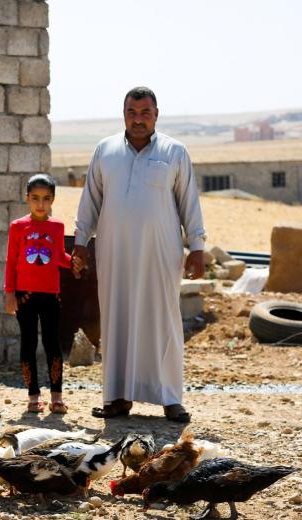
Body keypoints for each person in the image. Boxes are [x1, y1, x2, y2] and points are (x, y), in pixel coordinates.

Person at [72, 86, 206, 423]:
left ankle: (170, 398)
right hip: (114, 251)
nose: (138, 120)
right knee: (116, 318)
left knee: (163, 319)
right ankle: (117, 398)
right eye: (132, 113)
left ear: (156, 115)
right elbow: (90, 200)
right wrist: (79, 242)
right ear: (124, 115)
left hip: (161, 252)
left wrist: (198, 247)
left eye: (145, 113)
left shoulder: (175, 152)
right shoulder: (105, 150)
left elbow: (189, 202)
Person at [4, 174, 76, 414]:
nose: (40, 204)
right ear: (27, 199)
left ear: (53, 199)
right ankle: (33, 396)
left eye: (46, 198)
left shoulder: (57, 227)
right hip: (25, 295)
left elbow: (59, 258)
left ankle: (56, 397)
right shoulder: (18, 226)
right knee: (29, 342)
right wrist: (9, 292)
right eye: (35, 198)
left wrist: (75, 261)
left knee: (52, 343)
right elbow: (11, 261)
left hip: (51, 295)